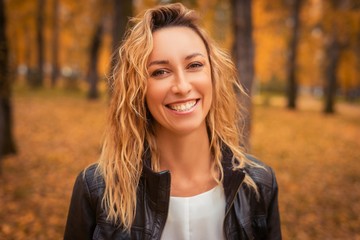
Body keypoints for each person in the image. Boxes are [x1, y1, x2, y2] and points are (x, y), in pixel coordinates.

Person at [64, 3, 281, 240]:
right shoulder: (96, 189)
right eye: (160, 72)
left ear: (213, 74)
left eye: (194, 65)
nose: (182, 86)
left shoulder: (259, 185)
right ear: (138, 89)